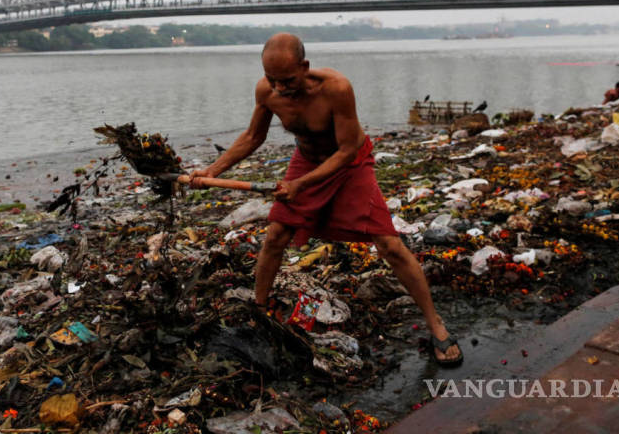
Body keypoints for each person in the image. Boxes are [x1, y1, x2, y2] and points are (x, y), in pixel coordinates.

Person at [189, 33, 463, 367]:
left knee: (389, 244)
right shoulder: (267, 91)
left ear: (305, 67)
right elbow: (252, 137)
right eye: (272, 80)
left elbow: (348, 150)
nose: (279, 88)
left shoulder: (336, 88)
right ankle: (259, 313)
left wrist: (300, 185)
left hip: (350, 164)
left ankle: (436, 323)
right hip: (307, 159)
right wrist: (212, 171)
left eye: (287, 80)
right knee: (276, 234)